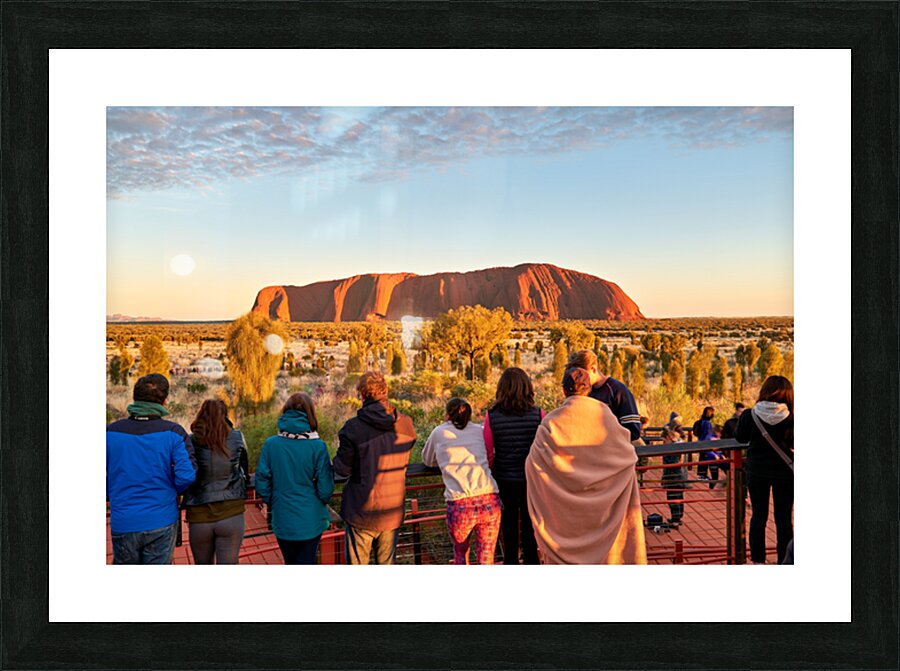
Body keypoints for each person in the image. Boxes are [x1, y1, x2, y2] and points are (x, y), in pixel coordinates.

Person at [525, 368, 646, 564]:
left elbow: (533, 466)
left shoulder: (551, 422)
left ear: (564, 391)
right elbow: (627, 454)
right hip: (604, 516)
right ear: (589, 389)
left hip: (565, 522)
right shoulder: (606, 417)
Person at [106, 373, 196, 564]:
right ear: (164, 401)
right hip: (161, 519)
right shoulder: (173, 432)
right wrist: (171, 489)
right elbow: (187, 475)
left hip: (123, 520)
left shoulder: (110, 433)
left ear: (134, 398)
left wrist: (113, 491)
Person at [333, 371, 417, 565]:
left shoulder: (353, 428)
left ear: (362, 394)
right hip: (392, 510)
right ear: (385, 391)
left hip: (361, 510)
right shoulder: (405, 424)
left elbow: (342, 469)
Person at [256, 392, 335, 565]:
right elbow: (325, 489)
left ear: (285, 411)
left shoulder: (271, 444)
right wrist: (320, 500)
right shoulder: (317, 446)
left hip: (282, 516)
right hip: (311, 517)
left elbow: (261, 480)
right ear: (310, 413)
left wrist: (273, 500)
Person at [422, 398, 502, 565]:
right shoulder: (480, 430)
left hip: (460, 504)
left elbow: (428, 460)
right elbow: (490, 452)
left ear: (447, 414)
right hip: (489, 499)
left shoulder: (439, 432)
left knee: (460, 554)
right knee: (486, 558)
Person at [483, 367, 544, 565]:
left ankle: (510, 562)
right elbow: (543, 449)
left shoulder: (491, 416)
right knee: (530, 527)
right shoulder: (538, 414)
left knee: (508, 529)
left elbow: (488, 452)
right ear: (527, 387)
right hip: (531, 480)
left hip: (504, 479)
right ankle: (532, 563)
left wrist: (495, 471)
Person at [735, 375, 794, 564]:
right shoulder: (793, 418)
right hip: (785, 473)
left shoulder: (749, 415)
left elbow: (740, 438)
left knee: (758, 517)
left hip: (757, 471)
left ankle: (758, 561)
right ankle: (784, 561)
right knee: (783, 519)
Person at [182, 399, 249, 564]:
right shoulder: (236, 437)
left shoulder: (189, 441)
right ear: (225, 415)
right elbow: (244, 468)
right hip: (231, 511)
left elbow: (185, 472)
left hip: (199, 514)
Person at [564, 350, 643, 444]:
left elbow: (633, 431)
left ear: (593, 369)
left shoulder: (617, 390)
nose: (580, 380)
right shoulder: (581, 393)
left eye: (582, 375)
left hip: (616, 449)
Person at [661, 412, 690, 525]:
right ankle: (678, 517)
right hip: (681, 476)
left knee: (672, 497)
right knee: (679, 496)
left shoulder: (673, 448)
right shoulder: (681, 443)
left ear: (669, 437)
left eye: (664, 440)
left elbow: (672, 463)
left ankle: (675, 518)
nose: (663, 442)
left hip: (673, 477)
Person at [692, 406, 726, 487]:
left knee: (702, 459)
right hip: (706, 444)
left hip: (700, 443)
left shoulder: (701, 421)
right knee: (706, 460)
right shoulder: (707, 423)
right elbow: (708, 434)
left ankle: (701, 475)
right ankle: (704, 476)